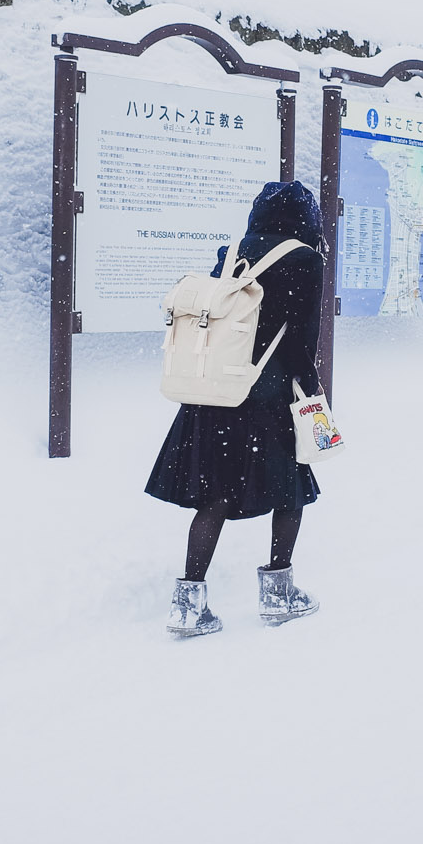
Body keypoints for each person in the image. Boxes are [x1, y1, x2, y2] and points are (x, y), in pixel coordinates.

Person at [146, 180, 324, 637]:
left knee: (216, 492)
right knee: (291, 489)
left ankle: (188, 606)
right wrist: (313, 396)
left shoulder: (233, 252)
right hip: (269, 394)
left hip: (217, 391)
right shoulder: (305, 260)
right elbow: (303, 340)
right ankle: (279, 595)